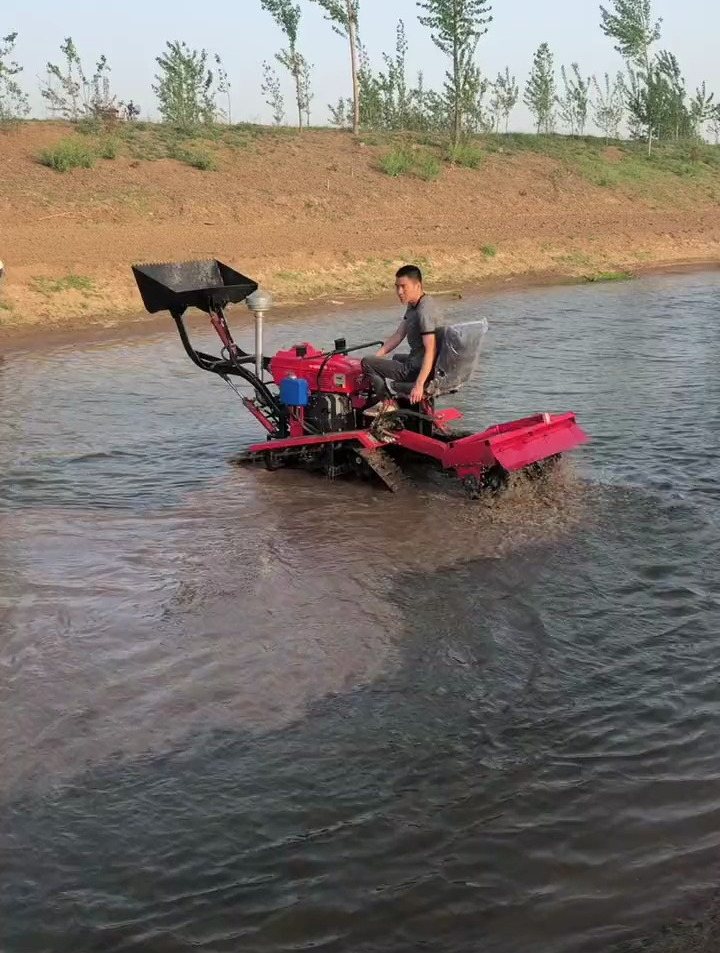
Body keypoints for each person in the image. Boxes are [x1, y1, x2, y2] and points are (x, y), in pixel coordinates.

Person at [361, 265, 440, 415]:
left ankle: (387, 403)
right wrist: (378, 356)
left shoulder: (424, 310)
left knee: (366, 362)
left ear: (418, 285)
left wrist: (419, 384)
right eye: (397, 287)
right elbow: (398, 334)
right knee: (394, 358)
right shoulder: (413, 304)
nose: (399, 292)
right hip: (416, 362)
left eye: (403, 287)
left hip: (417, 368)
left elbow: (431, 349)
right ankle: (408, 405)